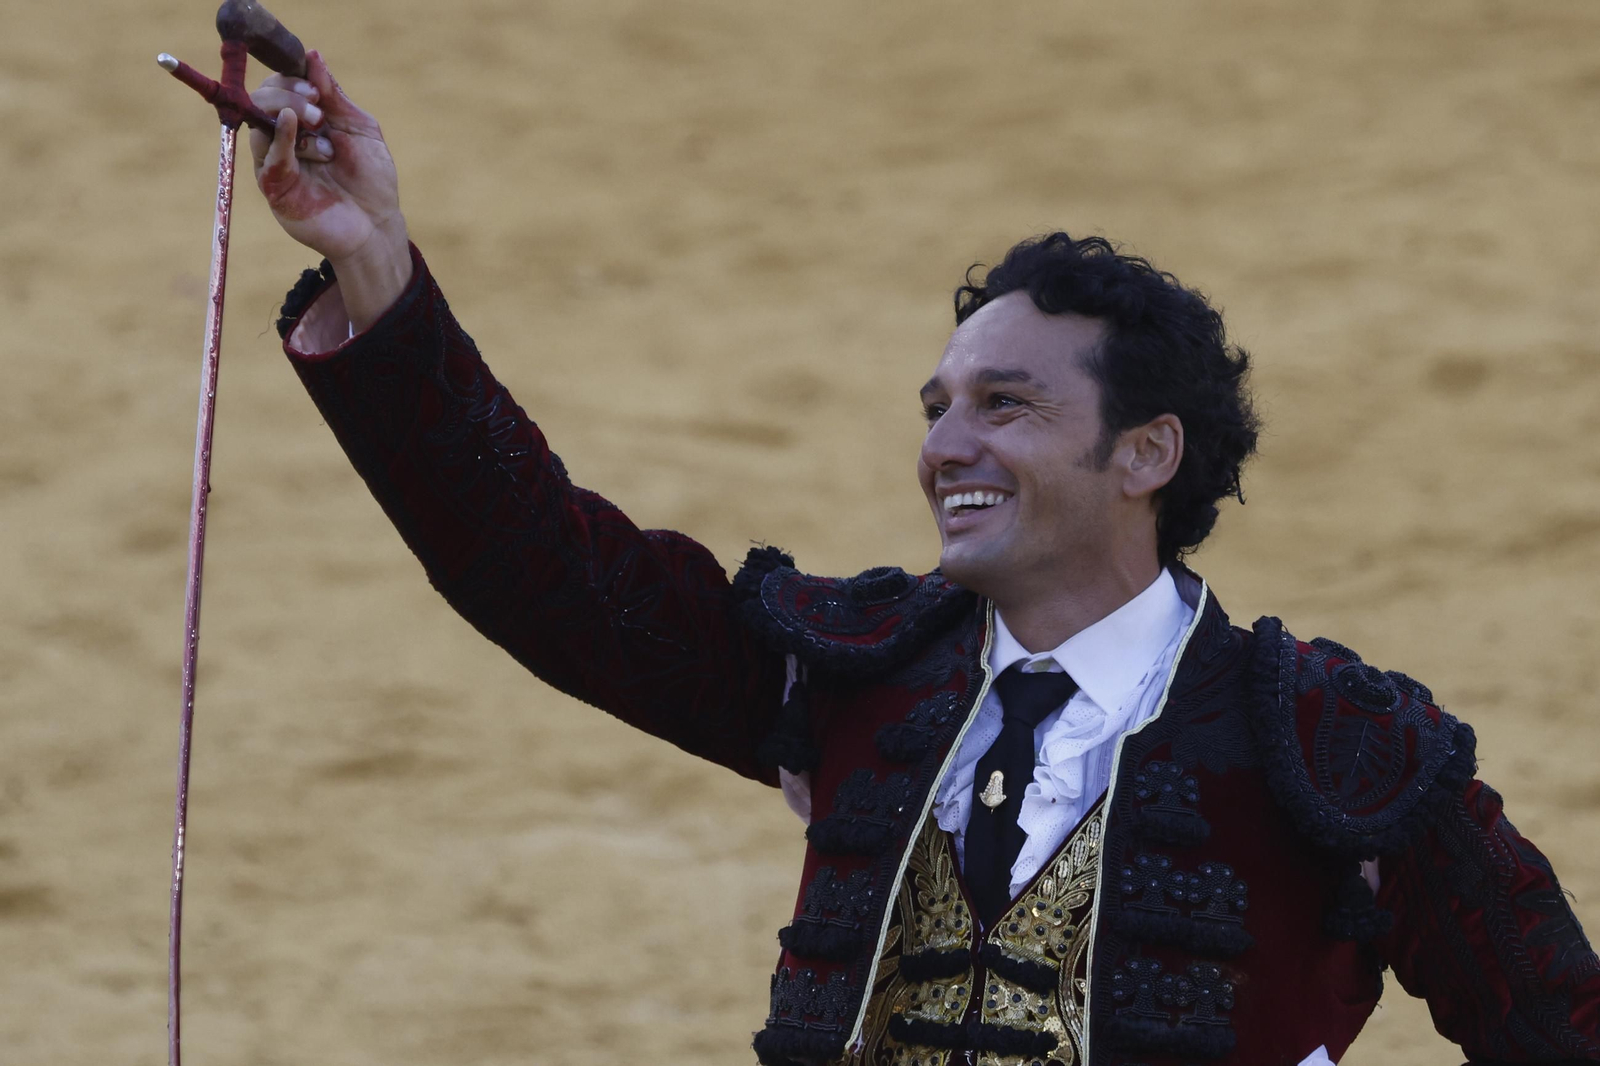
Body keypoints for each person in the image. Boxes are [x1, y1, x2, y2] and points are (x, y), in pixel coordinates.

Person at [247, 52, 1600, 1066]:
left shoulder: (1333, 747)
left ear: (1145, 455)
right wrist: (373, 262)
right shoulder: (859, 675)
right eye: (937, 406)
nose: (946, 443)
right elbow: (543, 568)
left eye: (1004, 406)